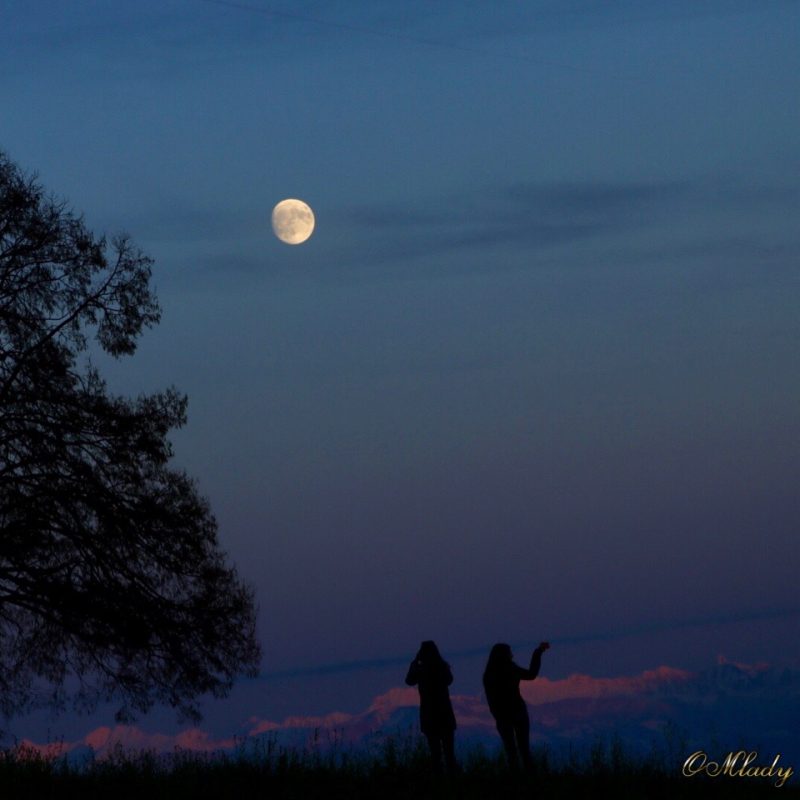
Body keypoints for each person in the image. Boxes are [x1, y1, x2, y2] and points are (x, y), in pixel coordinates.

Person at [483, 641, 550, 770]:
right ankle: (529, 778)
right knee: (524, 749)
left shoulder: (489, 674)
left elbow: (490, 699)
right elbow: (531, 674)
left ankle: (515, 780)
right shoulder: (511, 669)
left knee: (511, 751)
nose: (512, 655)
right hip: (518, 711)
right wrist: (538, 653)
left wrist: (496, 714)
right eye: (510, 653)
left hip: (502, 715)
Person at [405, 640, 458, 774]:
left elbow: (409, 680)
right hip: (445, 714)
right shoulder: (442, 667)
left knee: (435, 754)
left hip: (429, 716)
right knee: (449, 753)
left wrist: (415, 663)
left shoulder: (421, 670)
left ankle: (438, 782)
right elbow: (449, 680)